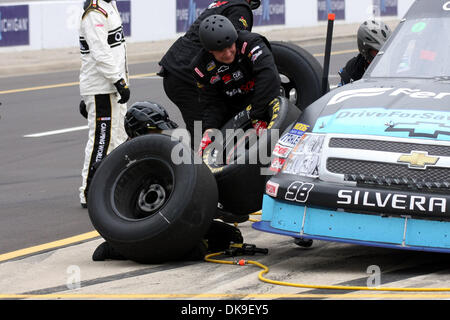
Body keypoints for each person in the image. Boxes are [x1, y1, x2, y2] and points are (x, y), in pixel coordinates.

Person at [158, 0, 261, 149]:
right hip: (186, 75)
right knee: (207, 130)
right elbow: (233, 46)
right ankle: (198, 169)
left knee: (219, 123)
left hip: (178, 70)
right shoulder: (239, 8)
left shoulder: (223, 3)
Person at [192, 15, 281, 155]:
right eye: (221, 50)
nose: (228, 54)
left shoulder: (251, 42)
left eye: (230, 46)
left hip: (262, 100)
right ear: (210, 50)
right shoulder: (201, 67)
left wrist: (257, 115)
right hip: (235, 111)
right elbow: (212, 102)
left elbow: (269, 77)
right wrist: (209, 130)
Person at [78, 0, 130, 208]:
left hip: (111, 86)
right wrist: (118, 80)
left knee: (118, 138)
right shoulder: (94, 12)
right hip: (103, 87)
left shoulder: (109, 5)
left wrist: (121, 81)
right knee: (101, 140)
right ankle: (89, 191)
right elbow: (100, 53)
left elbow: (116, 50)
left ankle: (114, 186)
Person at [338, 19, 392, 86]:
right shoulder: (353, 70)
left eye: (386, 50)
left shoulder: (398, 65)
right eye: (377, 52)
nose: (383, 55)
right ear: (365, 50)